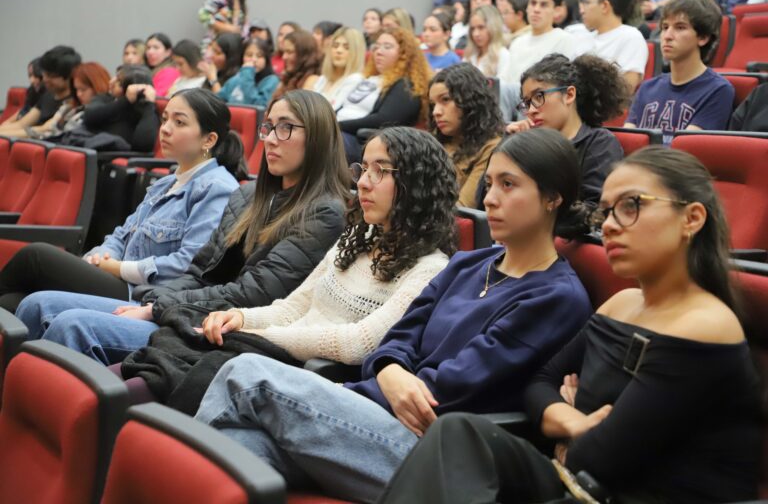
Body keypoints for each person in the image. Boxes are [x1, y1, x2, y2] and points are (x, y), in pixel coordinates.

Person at [193, 128, 593, 503]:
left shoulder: (555, 296)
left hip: (431, 450)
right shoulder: (469, 264)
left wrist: (383, 374)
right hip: (376, 415)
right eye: (490, 183)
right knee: (246, 448)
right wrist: (389, 369)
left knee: (246, 374)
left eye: (509, 185)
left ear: (552, 197)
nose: (489, 199)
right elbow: (398, 339)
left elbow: (455, 387)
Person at [379, 145, 762, 504]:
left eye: (631, 206)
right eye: (607, 210)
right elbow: (542, 383)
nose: (610, 225)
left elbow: (601, 457)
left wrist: (568, 442)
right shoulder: (623, 303)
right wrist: (574, 420)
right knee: (456, 433)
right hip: (576, 483)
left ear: (692, 218)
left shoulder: (706, 323)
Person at [14, 90, 348, 367]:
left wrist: (157, 307)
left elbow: (253, 294)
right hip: (183, 308)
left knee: (72, 325)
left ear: (316, 136)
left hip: (221, 329)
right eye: (268, 127)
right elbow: (199, 270)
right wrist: (156, 301)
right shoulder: (248, 195)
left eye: (286, 128)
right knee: (37, 304)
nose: (271, 139)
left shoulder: (323, 213)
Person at [158, 127, 457, 413]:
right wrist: (240, 317)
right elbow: (294, 308)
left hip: (306, 377)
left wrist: (258, 334)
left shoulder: (429, 269)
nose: (364, 182)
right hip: (271, 351)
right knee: (168, 344)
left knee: (184, 366)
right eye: (363, 169)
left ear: (417, 185)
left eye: (380, 171)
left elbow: (357, 344)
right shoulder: (356, 240)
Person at [1, 88, 244, 313]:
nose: (166, 129)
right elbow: (121, 235)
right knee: (13, 303)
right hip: (117, 279)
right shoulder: (165, 183)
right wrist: (99, 257)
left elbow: (188, 265)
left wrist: (115, 268)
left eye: (179, 122)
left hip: (142, 297)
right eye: (165, 119)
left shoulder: (217, 189)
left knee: (36, 256)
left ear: (208, 140)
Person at [505, 54, 627, 204]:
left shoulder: (600, 144)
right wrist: (508, 145)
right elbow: (483, 204)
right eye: (526, 102)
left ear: (569, 95)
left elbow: (595, 211)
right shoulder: (529, 145)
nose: (531, 110)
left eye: (539, 96)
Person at [625, 0, 734, 144]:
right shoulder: (647, 87)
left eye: (680, 27)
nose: (667, 36)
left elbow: (685, 150)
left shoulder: (718, 90)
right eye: (665, 27)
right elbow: (627, 142)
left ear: (703, 37)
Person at [335, 27, 431, 163]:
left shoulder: (406, 85)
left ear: (405, 54)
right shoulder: (369, 78)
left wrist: (336, 125)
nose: (379, 52)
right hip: (341, 132)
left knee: (319, 140)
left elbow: (383, 120)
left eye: (387, 47)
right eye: (377, 46)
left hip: (361, 141)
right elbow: (344, 106)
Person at [429, 63, 503, 208]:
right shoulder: (433, 141)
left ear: (471, 101)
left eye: (445, 100)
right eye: (433, 104)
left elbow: (462, 210)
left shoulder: (492, 148)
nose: (436, 112)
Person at [15, 62, 111, 142]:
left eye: (83, 89)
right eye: (76, 90)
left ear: (98, 87)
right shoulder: (68, 107)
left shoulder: (103, 113)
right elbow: (49, 130)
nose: (79, 94)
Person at [0, 46, 80, 135]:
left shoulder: (74, 102)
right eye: (44, 74)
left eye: (51, 76)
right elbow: (21, 124)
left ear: (69, 76)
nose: (45, 79)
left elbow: (44, 129)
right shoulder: (47, 95)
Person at [78, 65, 160, 152]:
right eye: (115, 77)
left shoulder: (146, 112)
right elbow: (89, 116)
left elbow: (143, 146)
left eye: (119, 83)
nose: (111, 82)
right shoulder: (107, 98)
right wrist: (125, 101)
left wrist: (148, 105)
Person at [500, 0, 576, 86]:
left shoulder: (564, 40)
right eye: (533, 3)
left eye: (543, 5)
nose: (536, 9)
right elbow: (503, 80)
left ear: (556, 11)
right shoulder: (517, 42)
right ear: (527, 8)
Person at [579, 0, 649, 92]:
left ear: (604, 6)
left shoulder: (631, 37)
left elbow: (625, 90)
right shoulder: (583, 38)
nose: (582, 10)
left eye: (587, 3)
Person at [313, 27, 366, 109]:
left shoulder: (355, 79)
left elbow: (334, 110)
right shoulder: (323, 79)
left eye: (346, 47)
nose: (339, 50)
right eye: (335, 46)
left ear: (356, 52)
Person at [218, 38, 280, 107]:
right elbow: (219, 101)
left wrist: (248, 72)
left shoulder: (272, 81)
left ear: (266, 59)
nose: (254, 59)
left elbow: (257, 106)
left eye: (259, 56)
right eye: (249, 55)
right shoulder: (236, 79)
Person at [464, 5, 510, 78]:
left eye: (481, 27)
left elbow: (502, 86)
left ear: (493, 27)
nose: (476, 34)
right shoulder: (469, 55)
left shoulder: (503, 55)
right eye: (472, 29)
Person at [272, 30, 322, 99]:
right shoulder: (286, 79)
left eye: (289, 52)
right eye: (284, 52)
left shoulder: (313, 81)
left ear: (304, 54)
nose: (284, 57)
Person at [1, 57, 44, 126]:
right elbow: (23, 111)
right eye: (30, 76)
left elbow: (22, 124)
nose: (31, 80)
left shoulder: (49, 96)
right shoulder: (32, 91)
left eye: (36, 75)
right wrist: (4, 124)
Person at [144, 33, 181, 97]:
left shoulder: (170, 71)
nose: (150, 52)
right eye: (148, 48)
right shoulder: (149, 69)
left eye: (156, 47)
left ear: (168, 52)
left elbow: (157, 97)